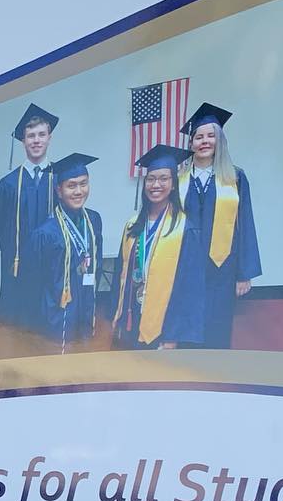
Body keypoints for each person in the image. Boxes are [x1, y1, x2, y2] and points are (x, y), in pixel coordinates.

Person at [177, 103, 262, 348]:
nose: (205, 141)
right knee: (186, 328)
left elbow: (245, 224)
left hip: (221, 269)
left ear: (220, 140)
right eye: (199, 136)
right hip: (184, 269)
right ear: (191, 142)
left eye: (211, 135)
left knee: (217, 329)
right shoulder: (178, 179)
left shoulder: (235, 177)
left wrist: (243, 274)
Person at [112, 145, 203, 350]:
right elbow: (120, 275)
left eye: (163, 179)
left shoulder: (185, 228)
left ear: (173, 184)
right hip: (131, 319)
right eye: (151, 179)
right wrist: (115, 318)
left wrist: (173, 335)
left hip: (163, 327)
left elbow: (188, 289)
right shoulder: (132, 226)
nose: (156, 185)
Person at [0, 101, 59, 350]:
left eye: (41, 134)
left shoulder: (60, 179)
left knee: (46, 337)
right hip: (18, 273)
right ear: (23, 141)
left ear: (49, 138)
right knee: (15, 337)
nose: (36, 140)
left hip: (50, 271)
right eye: (30, 135)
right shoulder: (7, 185)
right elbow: (2, 233)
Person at [26, 152, 103, 351]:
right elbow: (34, 282)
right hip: (56, 311)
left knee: (84, 354)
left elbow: (97, 263)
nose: (79, 191)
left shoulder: (94, 220)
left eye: (83, 183)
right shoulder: (45, 232)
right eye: (71, 185)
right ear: (59, 191)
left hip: (86, 303)